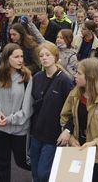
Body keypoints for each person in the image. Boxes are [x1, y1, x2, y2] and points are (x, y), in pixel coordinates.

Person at [60, 57, 98, 182]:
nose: (75, 75)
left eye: (78, 73)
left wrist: (94, 143)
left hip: (97, 157)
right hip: (76, 149)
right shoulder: (74, 94)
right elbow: (65, 117)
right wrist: (70, 138)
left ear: (91, 77)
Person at [0, 43, 33, 182]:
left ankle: (43, 174)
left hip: (20, 130)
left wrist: (10, 119)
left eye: (21, 56)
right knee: (1, 163)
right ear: (7, 58)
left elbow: (27, 109)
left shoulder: (27, 78)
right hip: (1, 129)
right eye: (16, 57)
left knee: (22, 162)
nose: (20, 60)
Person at [30, 42, 74, 182]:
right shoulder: (37, 77)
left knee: (44, 173)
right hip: (36, 133)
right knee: (35, 171)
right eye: (41, 55)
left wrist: (67, 130)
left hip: (53, 135)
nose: (44, 58)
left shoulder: (64, 81)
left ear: (55, 57)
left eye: (47, 55)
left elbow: (73, 109)